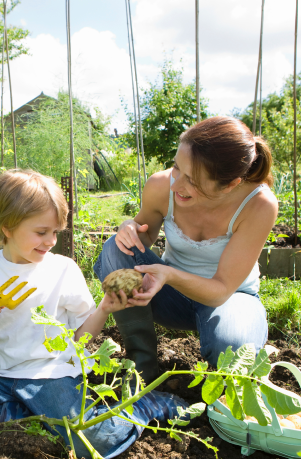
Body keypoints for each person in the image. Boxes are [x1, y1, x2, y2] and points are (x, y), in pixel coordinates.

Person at [0, 169, 187, 459]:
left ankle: (145, 406)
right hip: (6, 379)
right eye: (41, 232)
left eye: (55, 232)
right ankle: (36, 417)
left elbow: (80, 339)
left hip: (53, 376)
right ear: (7, 227)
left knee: (94, 443)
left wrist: (104, 308)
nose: (51, 240)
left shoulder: (62, 269)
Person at [94, 116, 277, 382]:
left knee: (235, 352)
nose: (176, 184)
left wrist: (169, 275)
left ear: (230, 184)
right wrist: (128, 227)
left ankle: (240, 352)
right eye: (177, 168)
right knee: (115, 248)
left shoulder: (259, 204)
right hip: (169, 296)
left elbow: (221, 290)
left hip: (229, 298)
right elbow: (141, 236)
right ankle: (141, 363)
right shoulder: (161, 185)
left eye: (193, 180)